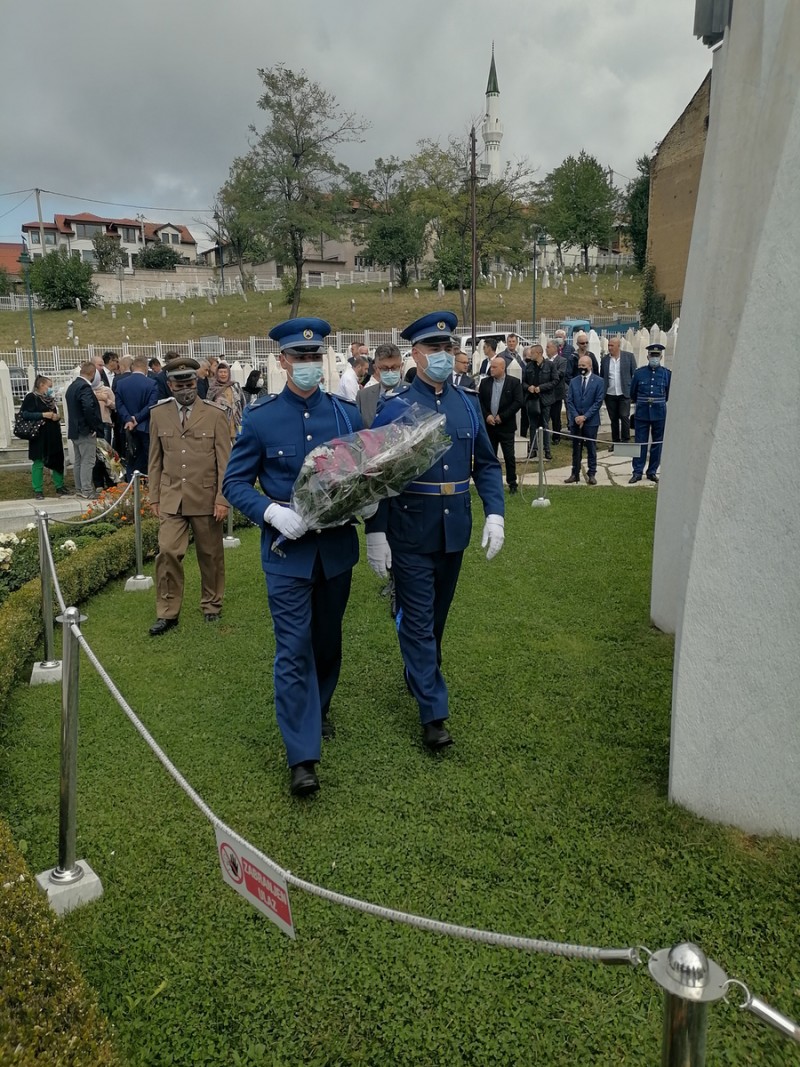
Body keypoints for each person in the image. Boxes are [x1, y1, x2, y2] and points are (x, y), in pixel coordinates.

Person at [222, 317, 364, 798]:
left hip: (336, 550)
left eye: (313, 357)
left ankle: (318, 707)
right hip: (287, 554)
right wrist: (270, 512)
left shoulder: (345, 414)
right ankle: (301, 756)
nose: (306, 365)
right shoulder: (261, 418)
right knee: (292, 649)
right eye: (297, 357)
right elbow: (234, 483)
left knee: (326, 641)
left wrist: (367, 500)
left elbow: (366, 469)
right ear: (282, 361)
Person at [366, 312, 505, 751]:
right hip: (409, 529)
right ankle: (433, 714)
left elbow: (484, 463)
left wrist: (495, 512)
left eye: (449, 348)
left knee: (435, 619)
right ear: (416, 355)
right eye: (434, 349)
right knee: (420, 621)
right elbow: (377, 477)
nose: (444, 356)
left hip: (454, 530)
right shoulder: (395, 406)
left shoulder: (466, 402)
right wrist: (376, 532)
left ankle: (419, 670)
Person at [147, 357, 231, 635]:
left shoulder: (215, 414)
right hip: (172, 497)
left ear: (197, 382)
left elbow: (224, 461)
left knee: (210, 555)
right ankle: (168, 612)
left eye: (190, 383)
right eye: (180, 384)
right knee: (168, 551)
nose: (186, 388)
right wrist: (154, 496)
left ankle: (212, 604)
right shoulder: (158, 414)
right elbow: (155, 460)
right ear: (169, 385)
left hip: (206, 497)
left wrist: (222, 498)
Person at [479, 355, 523, 493]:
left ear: (503, 368)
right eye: (491, 367)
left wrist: (502, 417)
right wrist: (487, 416)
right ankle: (491, 482)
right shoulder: (485, 382)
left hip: (506, 426)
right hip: (490, 426)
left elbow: (518, 402)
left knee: (509, 456)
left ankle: (512, 484)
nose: (491, 369)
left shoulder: (514, 382)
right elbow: (479, 401)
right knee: (490, 456)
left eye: (494, 367)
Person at [19, 375, 68, 500]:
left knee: (57, 459)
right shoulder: (32, 397)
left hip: (53, 433)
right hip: (39, 435)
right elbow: (25, 414)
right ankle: (38, 489)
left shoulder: (50, 399)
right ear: (41, 385)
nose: (51, 389)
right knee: (38, 461)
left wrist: (56, 416)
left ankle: (59, 486)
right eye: (49, 386)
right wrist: (43, 415)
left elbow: (55, 413)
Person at [629, 343, 671, 483]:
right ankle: (637, 471)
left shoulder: (666, 374)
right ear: (647, 356)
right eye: (652, 355)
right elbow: (633, 393)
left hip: (659, 413)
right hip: (642, 412)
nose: (654, 358)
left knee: (657, 443)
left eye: (657, 355)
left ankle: (652, 471)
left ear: (661, 356)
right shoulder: (639, 373)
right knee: (640, 442)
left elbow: (668, 394)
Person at [64, 362, 105, 499]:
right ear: (92, 373)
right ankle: (87, 490)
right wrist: (93, 426)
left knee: (79, 461)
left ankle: (79, 488)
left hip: (75, 430)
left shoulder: (72, 386)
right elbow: (88, 407)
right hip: (85, 430)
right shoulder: (84, 387)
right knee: (88, 461)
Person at [115, 357, 158, 480]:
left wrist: (128, 419)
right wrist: (137, 419)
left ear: (132, 368)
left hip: (127, 426)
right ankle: (145, 483)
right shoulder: (151, 383)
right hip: (145, 427)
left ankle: (131, 484)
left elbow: (119, 404)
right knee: (147, 456)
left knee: (130, 456)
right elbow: (152, 404)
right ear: (145, 368)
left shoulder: (121, 383)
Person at [565, 354, 605, 485]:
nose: (581, 368)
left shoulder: (599, 381)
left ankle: (592, 473)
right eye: (579, 366)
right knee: (576, 448)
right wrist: (576, 416)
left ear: (590, 366)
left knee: (591, 447)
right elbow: (569, 400)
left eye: (583, 365)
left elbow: (598, 402)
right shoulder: (574, 381)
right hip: (576, 420)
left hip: (591, 421)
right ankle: (574, 473)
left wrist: (585, 417)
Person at [600, 336, 637, 447]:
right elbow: (603, 376)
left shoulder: (628, 357)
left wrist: (632, 392)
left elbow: (634, 374)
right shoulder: (605, 360)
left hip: (624, 393)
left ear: (618, 346)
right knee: (614, 419)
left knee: (624, 416)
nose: (610, 347)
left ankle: (625, 441)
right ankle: (615, 441)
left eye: (612, 345)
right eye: (609, 345)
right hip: (610, 394)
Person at [522, 343, 557, 460]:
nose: (530, 355)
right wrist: (528, 387)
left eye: (532, 353)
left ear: (539, 353)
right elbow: (523, 382)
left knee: (545, 425)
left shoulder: (550, 366)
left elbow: (555, 381)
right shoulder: (528, 366)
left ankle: (547, 450)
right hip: (532, 399)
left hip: (545, 399)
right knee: (532, 425)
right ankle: (533, 449)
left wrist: (541, 388)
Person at [356, 342, 403, 427]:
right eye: (385, 368)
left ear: (401, 366)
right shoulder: (363, 396)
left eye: (394, 367)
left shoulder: (415, 393)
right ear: (376, 368)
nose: (390, 372)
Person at [207, 361, 245, 440]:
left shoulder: (235, 386)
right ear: (217, 373)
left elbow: (243, 404)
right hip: (221, 424)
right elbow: (208, 407)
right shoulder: (212, 389)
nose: (223, 374)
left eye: (225, 372)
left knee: (239, 448)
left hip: (238, 424)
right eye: (221, 372)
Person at [547, 339, 569, 443]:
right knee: (546, 416)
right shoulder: (545, 360)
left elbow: (560, 373)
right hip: (546, 393)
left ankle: (556, 437)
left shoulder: (562, 360)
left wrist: (548, 374)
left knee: (556, 416)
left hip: (556, 393)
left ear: (555, 348)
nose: (546, 349)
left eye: (548, 347)